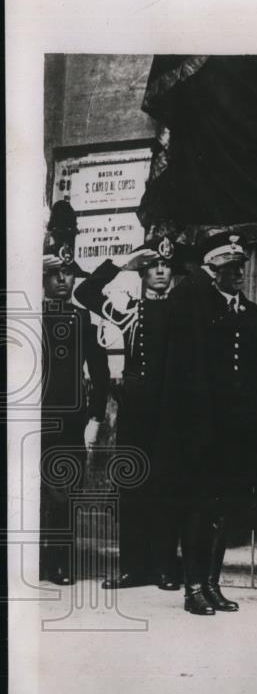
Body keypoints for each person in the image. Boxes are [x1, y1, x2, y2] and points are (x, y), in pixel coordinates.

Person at [155, 232, 257, 616]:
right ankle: (193, 587)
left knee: (223, 509)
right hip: (201, 432)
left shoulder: (253, 314)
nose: (238, 274)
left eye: (240, 267)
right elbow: (180, 305)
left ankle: (212, 584)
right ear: (212, 272)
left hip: (237, 434)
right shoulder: (194, 305)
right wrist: (202, 274)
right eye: (228, 268)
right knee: (197, 507)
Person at [74, 237, 184, 591]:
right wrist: (121, 264)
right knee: (133, 483)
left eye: (166, 265)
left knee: (166, 486)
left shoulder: (185, 310)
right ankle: (133, 568)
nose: (161, 271)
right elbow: (85, 292)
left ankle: (166, 567)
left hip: (172, 410)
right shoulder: (129, 311)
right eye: (153, 266)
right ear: (142, 272)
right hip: (136, 410)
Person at [40, 238, 110, 585]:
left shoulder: (83, 318)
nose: (62, 280)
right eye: (54, 273)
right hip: (29, 418)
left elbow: (100, 371)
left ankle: (60, 562)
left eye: (68, 273)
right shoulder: (27, 313)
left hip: (68, 419)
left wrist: (96, 416)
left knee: (63, 491)